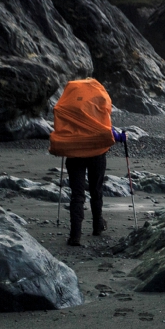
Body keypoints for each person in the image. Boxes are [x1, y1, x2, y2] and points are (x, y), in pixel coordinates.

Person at [48, 79, 126, 246]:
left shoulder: (68, 107)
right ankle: (97, 225)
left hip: (74, 154)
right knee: (96, 190)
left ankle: (75, 234)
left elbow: (60, 127)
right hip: (97, 154)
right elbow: (106, 130)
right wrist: (120, 137)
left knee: (77, 194)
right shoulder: (97, 105)